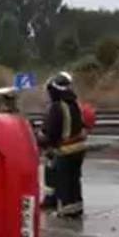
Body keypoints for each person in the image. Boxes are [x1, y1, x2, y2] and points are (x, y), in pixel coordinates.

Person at [38, 71, 86, 218]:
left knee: (64, 181)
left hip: (65, 150)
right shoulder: (74, 104)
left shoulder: (56, 107)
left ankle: (67, 212)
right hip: (79, 149)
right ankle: (76, 208)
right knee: (74, 181)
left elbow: (51, 132)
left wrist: (39, 139)